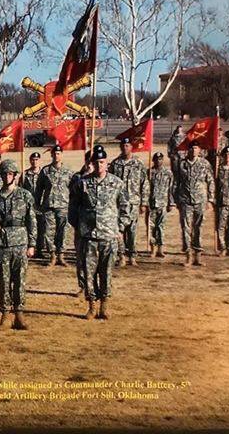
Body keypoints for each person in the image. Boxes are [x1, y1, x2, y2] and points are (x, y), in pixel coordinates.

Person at [68, 146, 131, 320]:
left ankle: (105, 305)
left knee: (106, 272)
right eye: (96, 162)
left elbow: (126, 207)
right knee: (89, 273)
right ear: (92, 163)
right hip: (88, 236)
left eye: (102, 162)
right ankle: (92, 306)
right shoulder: (82, 183)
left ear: (107, 164)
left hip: (109, 235)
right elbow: (73, 206)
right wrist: (78, 226)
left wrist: (120, 228)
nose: (99, 165)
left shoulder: (117, 183)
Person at [0, 159, 37, 330]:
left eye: (10, 174)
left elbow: (32, 220)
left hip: (20, 242)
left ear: (15, 175)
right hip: (2, 243)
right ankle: (5, 314)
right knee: (4, 281)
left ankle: (19, 313)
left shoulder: (24, 195)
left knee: (20, 280)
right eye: (4, 174)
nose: (7, 177)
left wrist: (32, 244)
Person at [172, 140, 215, 267]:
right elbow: (176, 183)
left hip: (200, 200)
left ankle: (198, 255)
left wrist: (211, 199)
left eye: (196, 148)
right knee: (186, 228)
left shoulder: (204, 164)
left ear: (199, 150)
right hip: (185, 200)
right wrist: (175, 200)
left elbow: (210, 181)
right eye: (191, 148)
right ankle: (188, 255)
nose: (193, 150)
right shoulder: (182, 164)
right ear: (188, 150)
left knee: (199, 227)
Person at [108, 137, 149, 267]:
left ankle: (132, 255)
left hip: (133, 202)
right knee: (119, 230)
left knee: (132, 230)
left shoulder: (138, 164)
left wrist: (144, 202)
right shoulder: (115, 164)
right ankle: (121, 255)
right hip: (118, 203)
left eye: (127, 145)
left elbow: (145, 183)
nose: (125, 147)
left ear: (132, 147)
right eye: (123, 145)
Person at [37, 146, 73, 266]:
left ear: (61, 155)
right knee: (48, 232)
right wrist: (37, 203)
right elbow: (39, 189)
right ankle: (52, 255)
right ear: (51, 155)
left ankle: (61, 255)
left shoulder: (68, 171)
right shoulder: (45, 171)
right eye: (54, 153)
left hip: (63, 206)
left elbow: (73, 189)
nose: (56, 156)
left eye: (58, 153)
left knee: (63, 231)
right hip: (49, 206)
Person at [69, 150, 96, 298]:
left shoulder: (105, 178)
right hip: (81, 224)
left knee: (95, 259)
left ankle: (94, 286)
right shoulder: (77, 178)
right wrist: (86, 177)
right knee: (81, 257)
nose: (91, 164)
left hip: (99, 226)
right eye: (89, 161)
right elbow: (73, 195)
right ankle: (83, 285)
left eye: (94, 162)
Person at [148, 153, 175, 258]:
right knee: (151, 228)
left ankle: (160, 249)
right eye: (156, 159)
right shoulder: (150, 172)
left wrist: (171, 203)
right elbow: (146, 188)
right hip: (152, 204)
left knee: (161, 227)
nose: (158, 161)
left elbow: (171, 189)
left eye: (160, 159)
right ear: (153, 160)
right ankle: (153, 249)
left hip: (163, 203)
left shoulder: (168, 173)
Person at [20, 152, 44, 257]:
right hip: (28, 206)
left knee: (41, 228)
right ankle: (29, 248)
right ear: (30, 161)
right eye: (33, 159)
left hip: (40, 205)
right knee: (29, 227)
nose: (35, 162)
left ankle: (39, 250)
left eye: (37, 160)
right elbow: (21, 189)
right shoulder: (25, 175)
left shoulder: (44, 174)